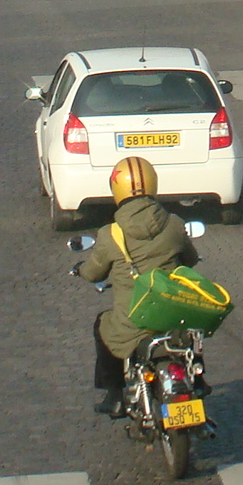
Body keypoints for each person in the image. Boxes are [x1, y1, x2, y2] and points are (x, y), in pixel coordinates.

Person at [75, 156, 201, 417]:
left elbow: (93, 272)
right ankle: (199, 380)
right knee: (191, 337)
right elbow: (190, 260)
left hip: (133, 321)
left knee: (103, 325)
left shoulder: (111, 234)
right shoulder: (175, 224)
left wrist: (80, 270)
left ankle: (115, 396)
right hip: (172, 315)